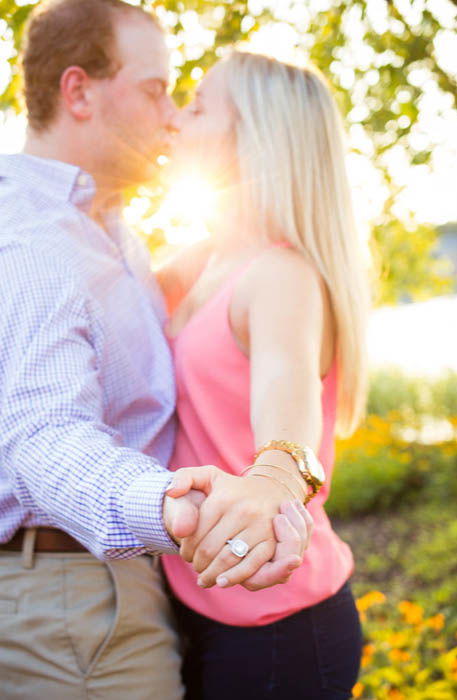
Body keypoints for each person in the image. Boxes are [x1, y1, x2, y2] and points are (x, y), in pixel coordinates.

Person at [0, 2, 312, 698]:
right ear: (78, 91)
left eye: (183, 99)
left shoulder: (113, 231)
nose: (171, 116)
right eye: (156, 90)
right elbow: (43, 436)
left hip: (113, 590)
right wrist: (174, 506)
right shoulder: (28, 237)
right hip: (71, 602)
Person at [158, 51, 369, 699]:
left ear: (251, 136)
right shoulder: (200, 264)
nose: (172, 119)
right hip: (205, 605)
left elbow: (290, 387)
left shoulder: (280, 275)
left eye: (195, 107)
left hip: (279, 626)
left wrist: (277, 471)